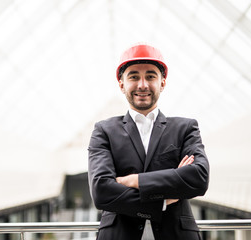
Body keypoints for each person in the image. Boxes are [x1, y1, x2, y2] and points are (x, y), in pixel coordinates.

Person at [88, 43, 209, 240]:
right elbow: (101, 191)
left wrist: (134, 181)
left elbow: (199, 178)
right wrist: (163, 199)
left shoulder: (185, 128)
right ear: (122, 84)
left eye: (151, 76)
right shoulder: (104, 130)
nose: (142, 84)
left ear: (162, 83)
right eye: (134, 76)